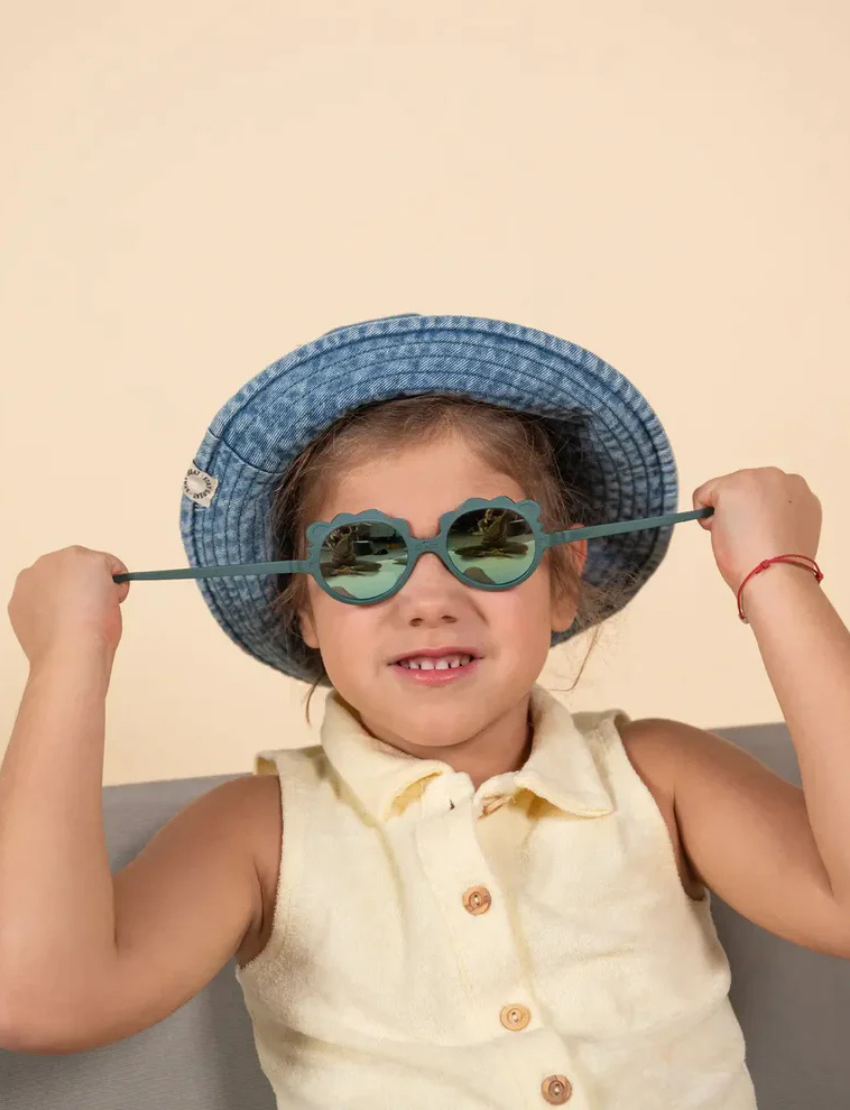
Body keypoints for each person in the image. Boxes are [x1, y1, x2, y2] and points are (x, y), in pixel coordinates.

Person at [1, 313, 838, 1109]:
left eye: (489, 540)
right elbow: (40, 999)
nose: (430, 598)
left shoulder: (661, 777)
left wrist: (777, 578)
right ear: (305, 610)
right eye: (364, 555)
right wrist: (69, 661)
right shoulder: (260, 831)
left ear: (563, 577)